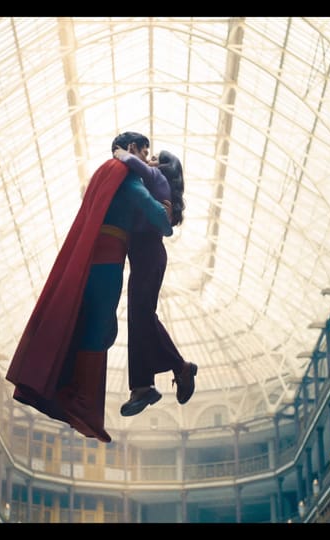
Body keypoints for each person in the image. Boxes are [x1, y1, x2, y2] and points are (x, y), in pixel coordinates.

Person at [5, 132, 172, 443]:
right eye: (145, 151)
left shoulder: (103, 174)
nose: (148, 159)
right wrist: (165, 209)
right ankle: (82, 401)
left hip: (95, 258)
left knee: (95, 327)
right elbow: (161, 221)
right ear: (131, 149)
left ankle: (79, 396)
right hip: (108, 262)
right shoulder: (125, 175)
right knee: (100, 329)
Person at [112, 146, 197, 416]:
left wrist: (122, 154)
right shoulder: (151, 184)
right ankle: (141, 385)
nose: (149, 159)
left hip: (149, 254)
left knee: (142, 315)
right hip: (143, 257)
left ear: (165, 167)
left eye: (156, 159)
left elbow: (140, 169)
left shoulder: (154, 179)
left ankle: (178, 367)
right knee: (138, 317)